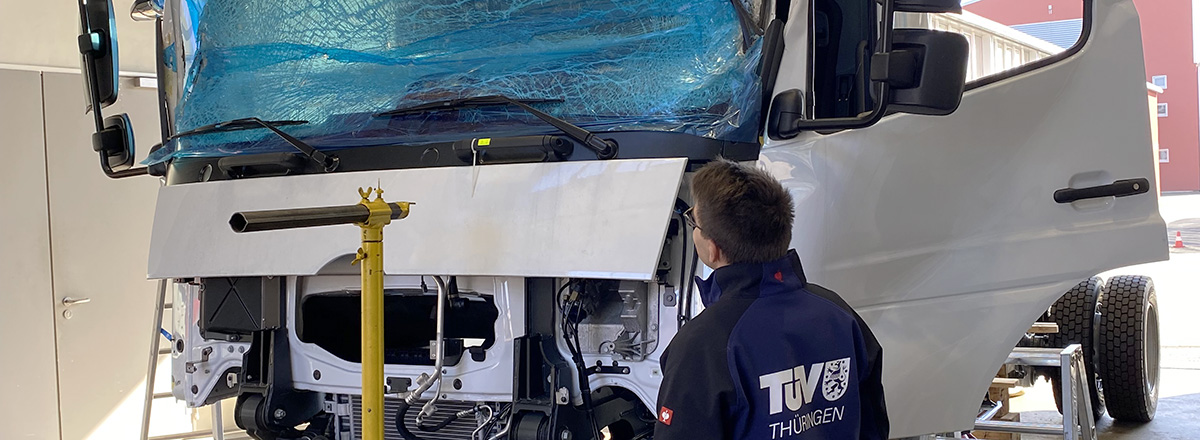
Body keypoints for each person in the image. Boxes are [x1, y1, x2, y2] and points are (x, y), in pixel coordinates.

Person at [654, 159, 888, 440]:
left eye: (694, 222)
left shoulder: (703, 344)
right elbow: (873, 424)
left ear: (713, 249)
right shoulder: (838, 312)